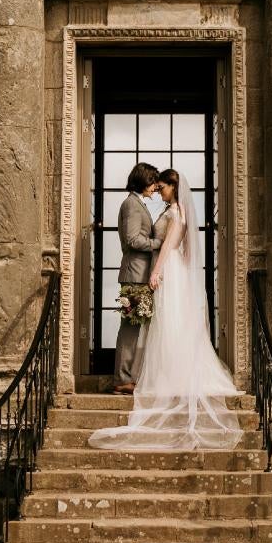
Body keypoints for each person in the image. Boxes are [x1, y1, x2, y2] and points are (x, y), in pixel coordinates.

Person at [91, 166, 243, 449]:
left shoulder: (176, 212)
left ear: (174, 187)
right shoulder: (153, 208)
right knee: (152, 324)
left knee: (164, 324)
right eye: (155, 186)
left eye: (162, 187)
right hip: (161, 270)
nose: (158, 191)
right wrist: (160, 259)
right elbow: (152, 242)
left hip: (164, 270)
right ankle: (130, 376)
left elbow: (170, 245)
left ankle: (158, 375)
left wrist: (156, 272)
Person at [111, 162, 163, 392]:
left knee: (134, 327)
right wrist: (157, 243)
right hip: (134, 276)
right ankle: (122, 380)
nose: (155, 188)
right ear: (143, 181)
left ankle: (128, 376)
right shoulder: (131, 204)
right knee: (130, 328)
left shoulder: (136, 203)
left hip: (139, 275)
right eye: (152, 182)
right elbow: (132, 239)